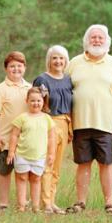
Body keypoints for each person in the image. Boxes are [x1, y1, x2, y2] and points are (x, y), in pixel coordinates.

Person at [65, 24, 112, 215]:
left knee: (105, 163)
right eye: (93, 37)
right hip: (80, 122)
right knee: (83, 163)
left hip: (106, 123)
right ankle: (80, 202)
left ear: (107, 41)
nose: (96, 40)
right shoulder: (74, 63)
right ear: (86, 40)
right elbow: (64, 91)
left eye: (100, 37)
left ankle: (109, 203)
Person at [0, 51, 31, 211]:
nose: (16, 69)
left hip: (26, 139)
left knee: (24, 171)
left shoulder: (30, 88)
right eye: (12, 66)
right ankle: (4, 203)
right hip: (6, 139)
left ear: (24, 68)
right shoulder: (0, 90)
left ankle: (23, 200)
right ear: (6, 68)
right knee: (5, 170)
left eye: (19, 66)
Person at [33, 45, 73, 213]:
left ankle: (52, 200)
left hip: (65, 123)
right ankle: (45, 203)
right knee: (47, 164)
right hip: (48, 123)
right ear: (49, 60)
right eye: (54, 58)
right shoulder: (43, 79)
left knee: (57, 166)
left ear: (66, 61)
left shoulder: (68, 80)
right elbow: (36, 105)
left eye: (61, 58)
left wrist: (71, 128)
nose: (58, 61)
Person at [6, 86, 55, 212]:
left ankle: (35, 206)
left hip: (39, 156)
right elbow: (14, 135)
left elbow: (51, 139)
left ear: (43, 101)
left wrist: (51, 154)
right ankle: (21, 205)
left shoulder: (47, 119)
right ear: (27, 101)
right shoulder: (22, 118)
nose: (36, 103)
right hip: (22, 154)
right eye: (32, 100)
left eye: (38, 100)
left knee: (36, 179)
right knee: (21, 178)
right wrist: (11, 152)